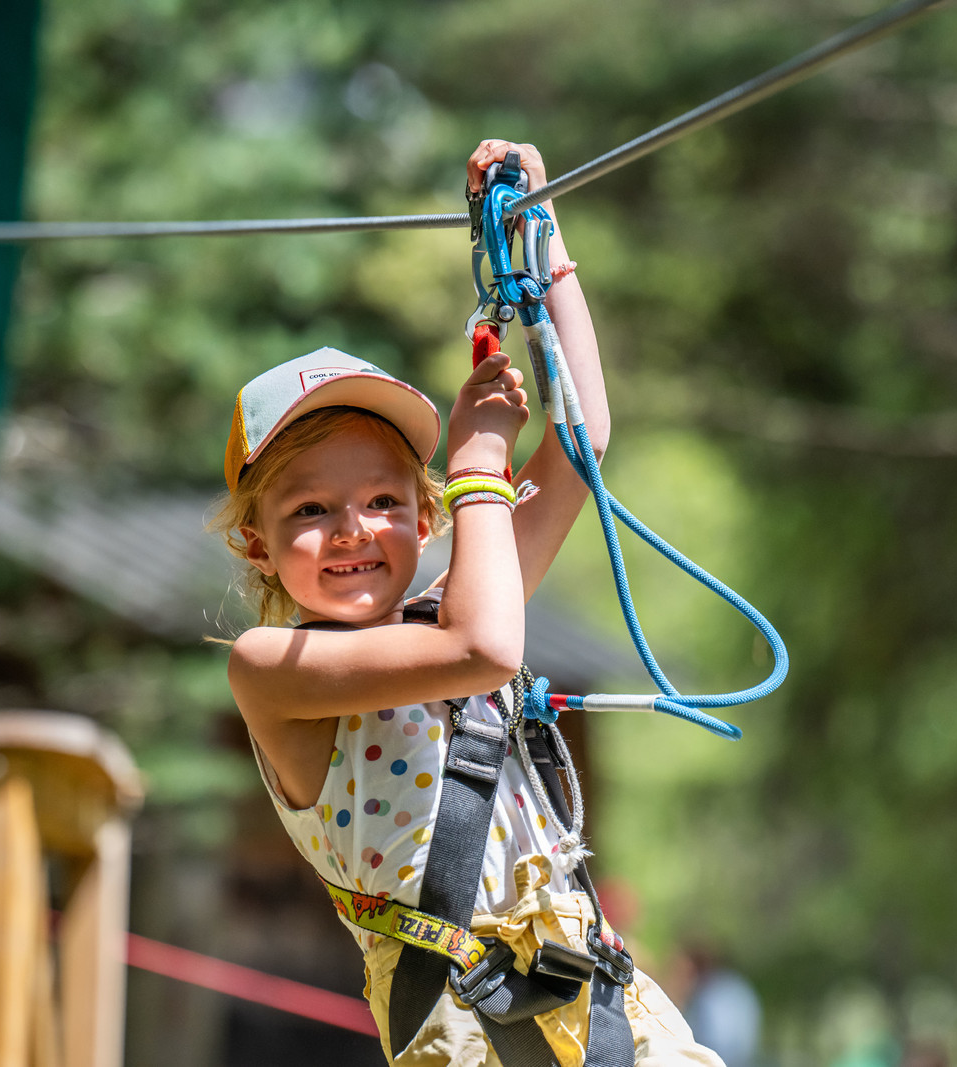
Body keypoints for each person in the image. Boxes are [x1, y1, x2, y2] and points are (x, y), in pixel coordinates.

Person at [217, 140, 725, 1067]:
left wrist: (540, 237)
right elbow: (484, 649)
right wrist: (479, 465)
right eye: (309, 510)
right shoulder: (273, 667)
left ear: (424, 517)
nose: (352, 529)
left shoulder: (454, 604)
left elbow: (583, 438)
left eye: (382, 500)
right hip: (464, 1023)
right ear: (257, 544)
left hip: (595, 999)